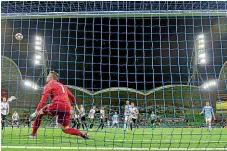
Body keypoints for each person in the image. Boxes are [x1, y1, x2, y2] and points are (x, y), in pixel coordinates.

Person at [29, 71, 88, 139]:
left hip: (57, 105)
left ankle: (33, 134)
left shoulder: (49, 85)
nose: (47, 77)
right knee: (65, 129)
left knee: (40, 113)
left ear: (51, 77)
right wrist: (76, 107)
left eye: (48, 76)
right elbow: (72, 96)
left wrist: (37, 111)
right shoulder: (62, 86)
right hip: (67, 108)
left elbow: (43, 101)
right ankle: (82, 134)